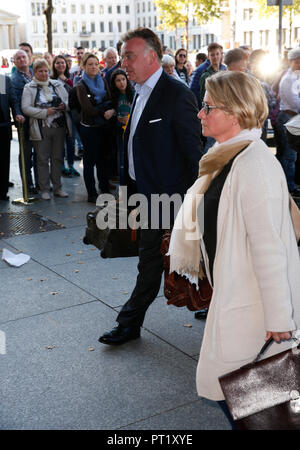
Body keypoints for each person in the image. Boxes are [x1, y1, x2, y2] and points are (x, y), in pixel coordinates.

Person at [167, 70, 300, 428]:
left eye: (207, 107)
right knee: (248, 403)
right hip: (238, 295)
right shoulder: (226, 158)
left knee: (254, 406)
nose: (200, 114)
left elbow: (270, 247)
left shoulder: (254, 164)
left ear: (235, 112)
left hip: (256, 308)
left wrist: (278, 320)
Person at [98, 27, 203, 346]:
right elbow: (134, 147)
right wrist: (127, 195)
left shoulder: (177, 94)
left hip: (174, 200)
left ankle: (224, 311)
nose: (123, 63)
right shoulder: (138, 91)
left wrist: (193, 204)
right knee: (150, 262)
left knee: (196, 261)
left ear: (152, 57)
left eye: (129, 56)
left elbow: (193, 153)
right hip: (146, 198)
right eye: (123, 56)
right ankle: (130, 324)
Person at [21, 58, 72, 200]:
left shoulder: (57, 85)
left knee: (57, 158)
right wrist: (44, 113)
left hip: (59, 127)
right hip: (41, 128)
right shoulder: (29, 87)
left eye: (45, 70)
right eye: (40, 71)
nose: (43, 73)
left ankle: (58, 188)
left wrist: (64, 106)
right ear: (35, 72)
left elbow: (68, 101)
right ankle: (44, 189)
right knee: (42, 159)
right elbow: (25, 108)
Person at [76, 53, 112, 203]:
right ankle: (91, 193)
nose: (93, 67)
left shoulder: (103, 80)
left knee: (103, 159)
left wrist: (107, 108)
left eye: (96, 64)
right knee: (90, 161)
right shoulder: (80, 85)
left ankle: (104, 187)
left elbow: (109, 99)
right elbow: (87, 109)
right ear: (84, 66)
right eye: (90, 64)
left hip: (104, 126)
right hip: (89, 127)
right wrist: (104, 110)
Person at [11, 49, 39, 194]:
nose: (22, 60)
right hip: (25, 122)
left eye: (24, 57)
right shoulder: (13, 79)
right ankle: (28, 185)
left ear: (29, 59)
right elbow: (15, 101)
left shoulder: (35, 74)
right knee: (26, 155)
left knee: (40, 155)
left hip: (39, 120)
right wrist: (18, 116)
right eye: (19, 58)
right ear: (14, 62)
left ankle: (40, 183)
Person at [275, 47, 300, 199]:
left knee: (289, 155)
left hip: (290, 117)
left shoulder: (294, 77)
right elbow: (296, 102)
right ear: (290, 62)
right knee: (288, 155)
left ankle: (287, 186)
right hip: (288, 118)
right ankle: (288, 187)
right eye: (297, 62)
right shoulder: (289, 79)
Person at [51, 55, 80, 178]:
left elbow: (75, 93)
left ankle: (71, 165)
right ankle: (62, 165)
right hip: (56, 115)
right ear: (54, 65)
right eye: (57, 63)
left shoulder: (70, 77)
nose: (60, 65)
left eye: (62, 63)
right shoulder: (51, 79)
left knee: (70, 140)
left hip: (69, 114)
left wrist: (66, 81)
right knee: (59, 142)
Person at [110, 68, 135, 184]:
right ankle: (123, 188)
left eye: (123, 79)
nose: (121, 83)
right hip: (120, 131)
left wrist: (129, 119)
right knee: (121, 159)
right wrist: (116, 117)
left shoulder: (134, 93)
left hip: (132, 130)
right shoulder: (114, 97)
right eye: (118, 80)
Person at [0, 74, 23, 201]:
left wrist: (17, 114)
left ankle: (2, 191)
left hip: (3, 127)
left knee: (3, 160)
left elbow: (12, 101)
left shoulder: (2, 81)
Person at [189, 43, 226, 108]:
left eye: (217, 54)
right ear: (208, 57)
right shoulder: (204, 74)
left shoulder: (224, 69)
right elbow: (202, 97)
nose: (215, 57)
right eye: (212, 55)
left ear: (221, 55)